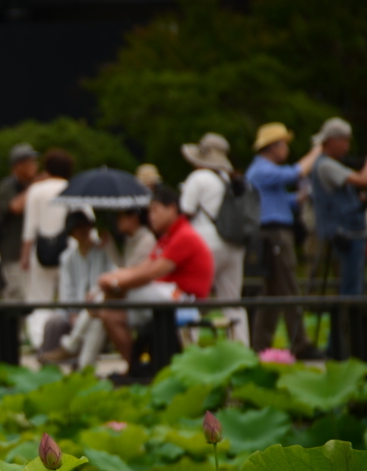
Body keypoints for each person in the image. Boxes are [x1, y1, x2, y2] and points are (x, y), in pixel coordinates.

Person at [96, 184, 214, 368]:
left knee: (112, 296)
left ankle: (83, 353)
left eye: (155, 210)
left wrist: (116, 282)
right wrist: (111, 278)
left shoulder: (184, 236)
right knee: (110, 315)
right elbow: (142, 267)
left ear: (172, 209)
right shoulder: (166, 237)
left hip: (185, 300)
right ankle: (135, 368)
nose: (151, 216)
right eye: (150, 211)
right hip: (165, 295)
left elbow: (152, 272)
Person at [310, 117, 367, 357]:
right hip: (345, 235)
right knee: (351, 294)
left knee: (351, 291)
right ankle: (344, 349)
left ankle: (342, 346)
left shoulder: (329, 164)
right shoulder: (325, 164)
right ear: (332, 140)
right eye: (345, 141)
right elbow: (362, 179)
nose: (347, 146)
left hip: (350, 232)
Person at [245, 122, 324, 359]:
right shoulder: (262, 169)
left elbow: (281, 201)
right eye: (284, 144)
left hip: (274, 232)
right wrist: (318, 149)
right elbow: (296, 172)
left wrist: (298, 198)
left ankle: (260, 345)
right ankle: (300, 343)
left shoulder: (263, 172)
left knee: (273, 293)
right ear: (273, 146)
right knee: (288, 286)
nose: (286, 150)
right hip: (275, 234)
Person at [179, 133, 249, 345]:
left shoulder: (198, 178)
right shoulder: (230, 180)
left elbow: (185, 212)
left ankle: (188, 350)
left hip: (206, 244)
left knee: (192, 299)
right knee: (232, 302)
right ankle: (242, 349)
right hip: (234, 244)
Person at [37, 209, 112, 368]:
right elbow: (67, 289)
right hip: (74, 309)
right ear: (72, 233)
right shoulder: (67, 257)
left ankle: (72, 352)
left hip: (96, 306)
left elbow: (108, 279)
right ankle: (47, 366)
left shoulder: (103, 251)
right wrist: (72, 312)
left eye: (86, 228)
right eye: (78, 229)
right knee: (54, 322)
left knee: (91, 317)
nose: (83, 232)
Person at [20, 149, 74, 350]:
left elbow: (29, 229)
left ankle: (39, 341)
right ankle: (64, 341)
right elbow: (86, 223)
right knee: (68, 297)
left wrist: (24, 256)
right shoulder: (73, 187)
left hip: (41, 251)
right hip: (70, 251)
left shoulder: (37, 190)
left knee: (38, 299)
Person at [0, 143, 39, 301]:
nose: (35, 166)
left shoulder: (30, 186)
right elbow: (15, 207)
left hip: (31, 253)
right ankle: (11, 327)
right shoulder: (8, 185)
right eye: (30, 162)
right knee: (15, 297)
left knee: (31, 297)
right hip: (13, 253)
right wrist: (35, 187)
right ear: (18, 165)